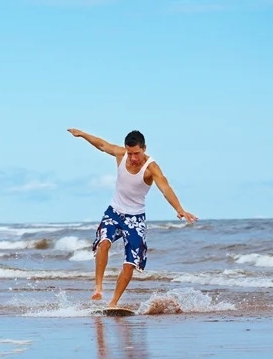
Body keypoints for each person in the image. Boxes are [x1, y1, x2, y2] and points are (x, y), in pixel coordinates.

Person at [67, 128, 198, 306]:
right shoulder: (121, 155)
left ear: (144, 148)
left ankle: (113, 303)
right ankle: (98, 287)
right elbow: (102, 144)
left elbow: (165, 188)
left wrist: (179, 208)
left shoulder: (151, 167)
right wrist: (82, 135)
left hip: (135, 219)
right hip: (114, 212)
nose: (133, 158)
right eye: (130, 153)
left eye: (136, 153)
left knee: (130, 263)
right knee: (104, 242)